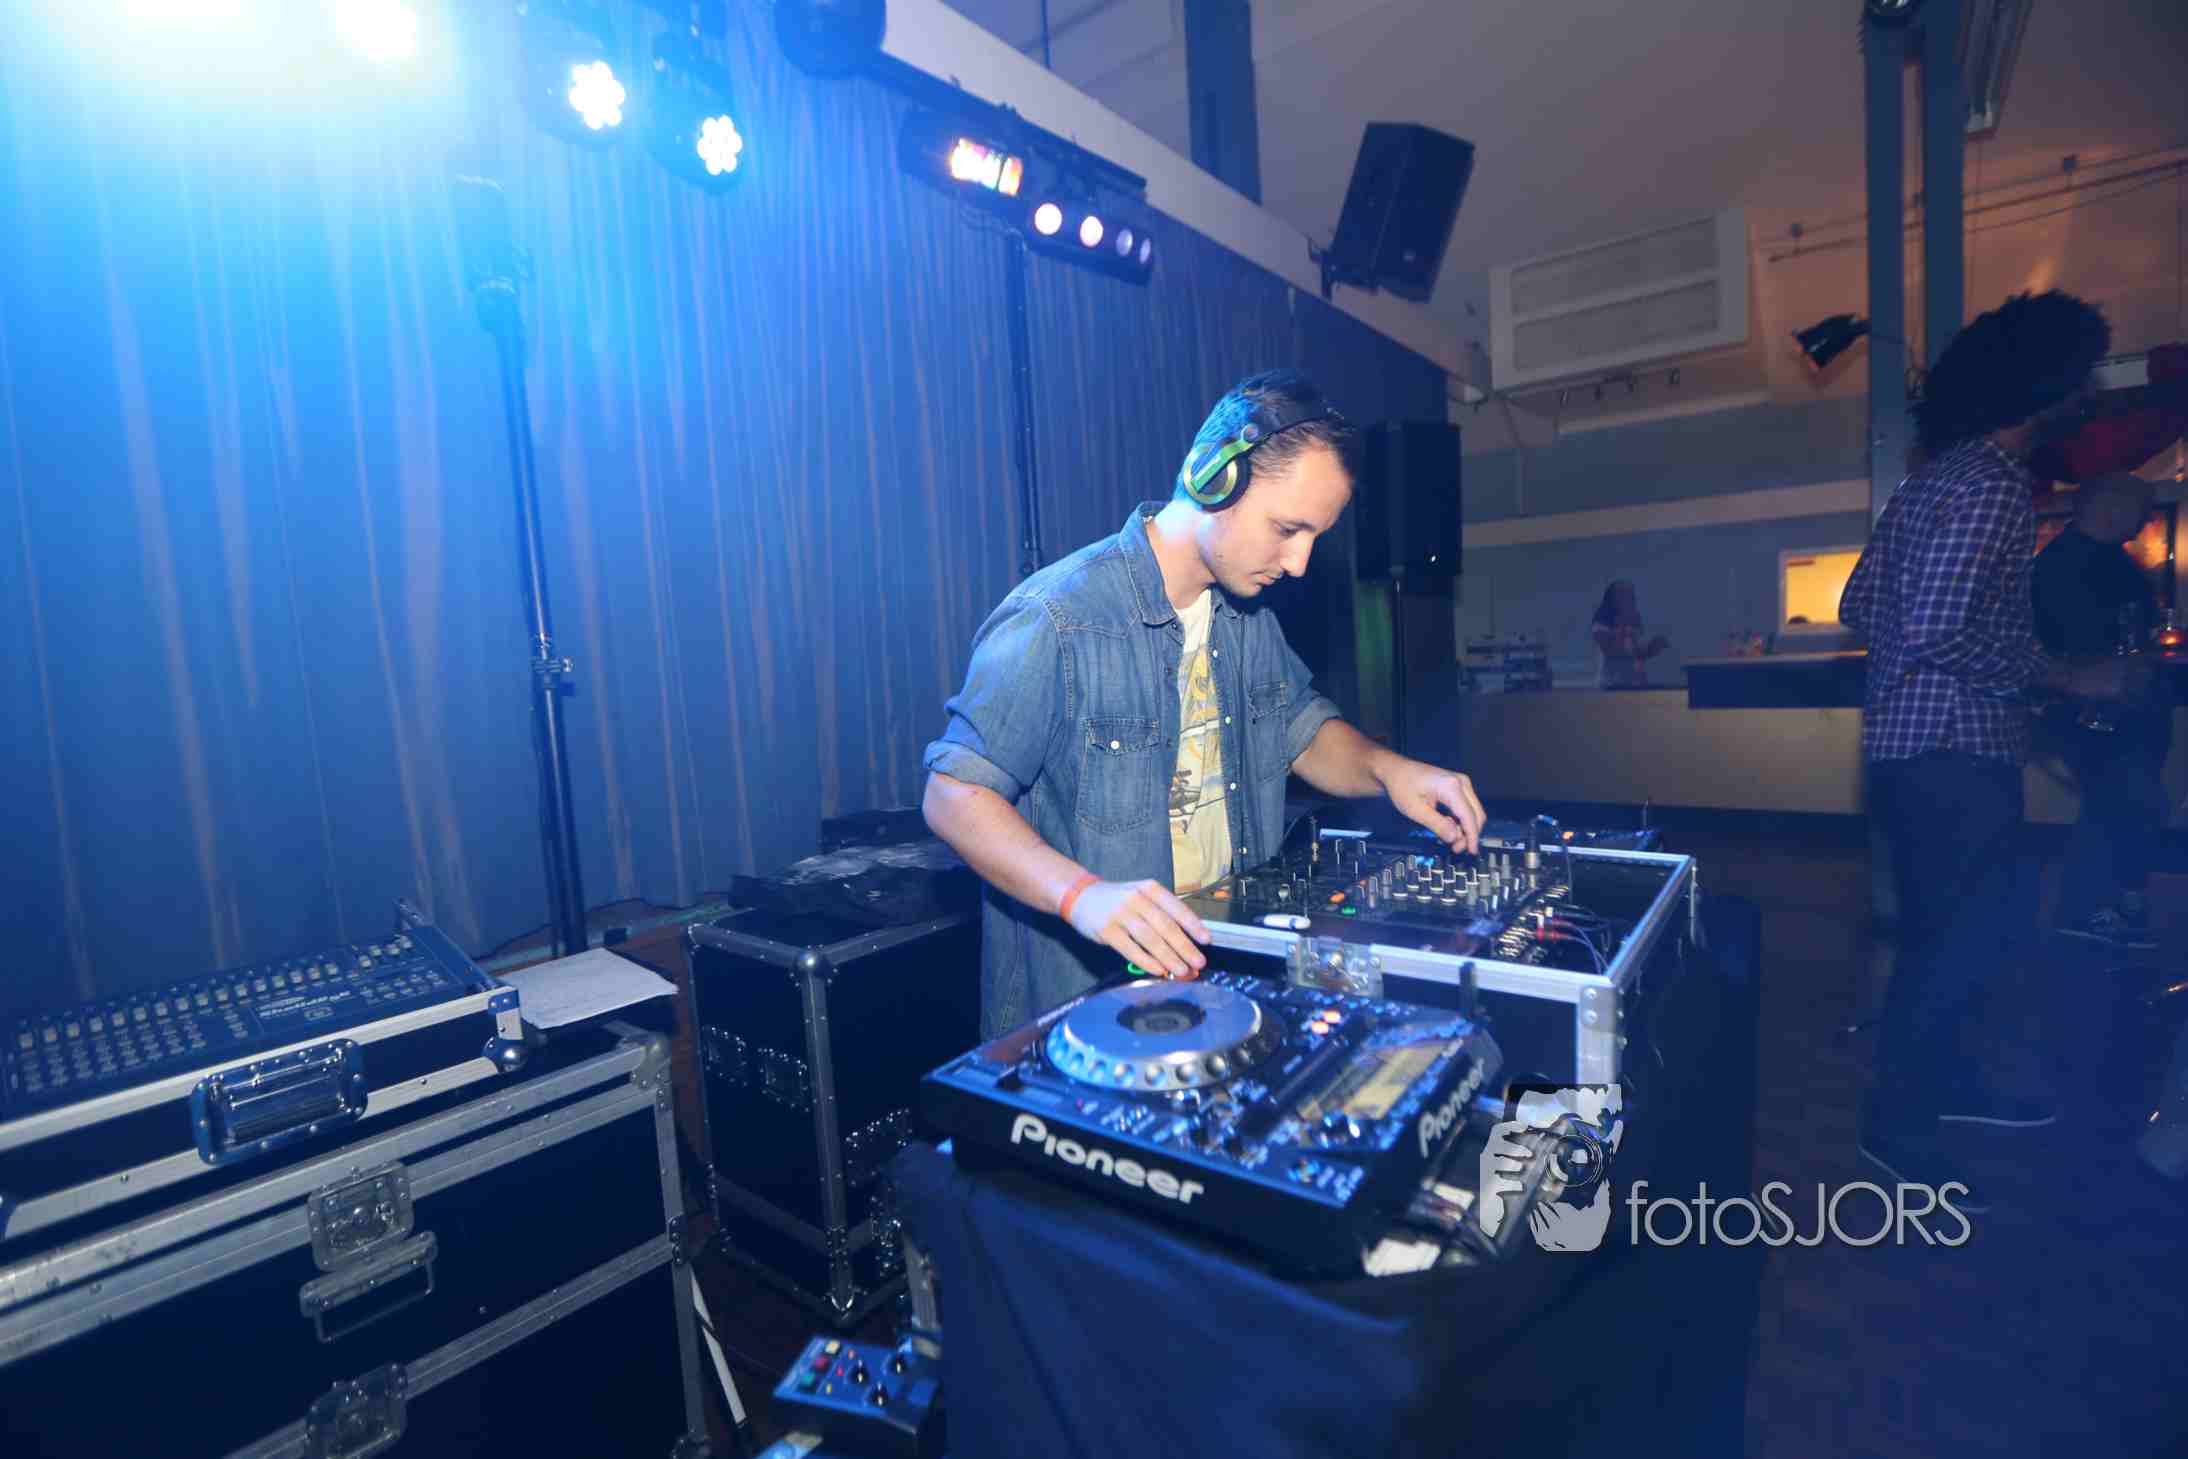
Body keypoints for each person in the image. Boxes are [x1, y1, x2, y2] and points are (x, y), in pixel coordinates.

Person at [922, 370, 1488, 1036]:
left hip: (1221, 992)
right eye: (1287, 529)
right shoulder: (1058, 616)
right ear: (1214, 479)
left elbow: (1300, 729)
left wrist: (1392, 771)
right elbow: (953, 795)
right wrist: (1083, 896)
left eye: (1314, 537)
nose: (1299, 563)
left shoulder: (1250, 615)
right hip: (1085, 1019)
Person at [1837, 290, 2145, 1198]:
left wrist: (1933, 655)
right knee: (1960, 942)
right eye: (2080, 377)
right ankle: (1900, 1125)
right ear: (2044, 385)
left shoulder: (1934, 478)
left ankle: (1944, 1088)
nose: (2088, 393)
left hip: (1908, 751)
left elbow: (1861, 604)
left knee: (1955, 935)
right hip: (1954, 753)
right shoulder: (1996, 485)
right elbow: (1937, 627)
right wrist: (2063, 672)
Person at [2031, 472, 2167, 949]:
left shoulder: (2089, 559)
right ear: (2110, 506)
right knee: (2119, 803)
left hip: (2115, 704)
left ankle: (2104, 908)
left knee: (2122, 804)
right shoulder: (2066, 566)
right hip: (2096, 708)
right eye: (2141, 508)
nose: (2145, 520)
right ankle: (2088, 910)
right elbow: (2074, 643)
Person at [1590, 580, 1670, 689]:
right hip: (1610, 685)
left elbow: (1636, 652)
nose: (1631, 600)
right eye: (1625, 596)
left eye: (1631, 596)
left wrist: (1653, 647)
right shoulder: (1600, 624)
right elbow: (1612, 650)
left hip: (1632, 684)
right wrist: (1624, 626)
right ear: (1613, 599)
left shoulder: (1634, 620)